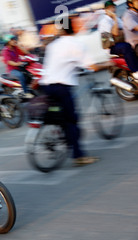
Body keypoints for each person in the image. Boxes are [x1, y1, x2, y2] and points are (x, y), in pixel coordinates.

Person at [40, 18, 101, 166]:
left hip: (46, 86)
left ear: (61, 29)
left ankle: (66, 140)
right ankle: (78, 156)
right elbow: (92, 66)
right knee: (71, 121)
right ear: (73, 28)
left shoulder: (52, 45)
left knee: (59, 116)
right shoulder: (76, 44)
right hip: (62, 88)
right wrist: (108, 63)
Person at [98, 1, 138, 79]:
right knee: (126, 47)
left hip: (118, 42)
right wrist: (115, 20)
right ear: (105, 10)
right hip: (111, 47)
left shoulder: (117, 19)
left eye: (113, 7)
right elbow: (116, 33)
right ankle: (135, 71)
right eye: (109, 8)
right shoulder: (104, 22)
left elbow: (123, 30)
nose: (112, 9)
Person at [1, 34, 34, 99]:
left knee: (31, 73)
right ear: (8, 42)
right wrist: (17, 64)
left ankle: (31, 88)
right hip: (12, 70)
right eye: (12, 40)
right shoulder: (5, 51)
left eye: (14, 40)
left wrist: (19, 46)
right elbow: (9, 62)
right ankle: (26, 93)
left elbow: (26, 53)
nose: (14, 41)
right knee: (20, 75)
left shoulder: (15, 48)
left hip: (20, 66)